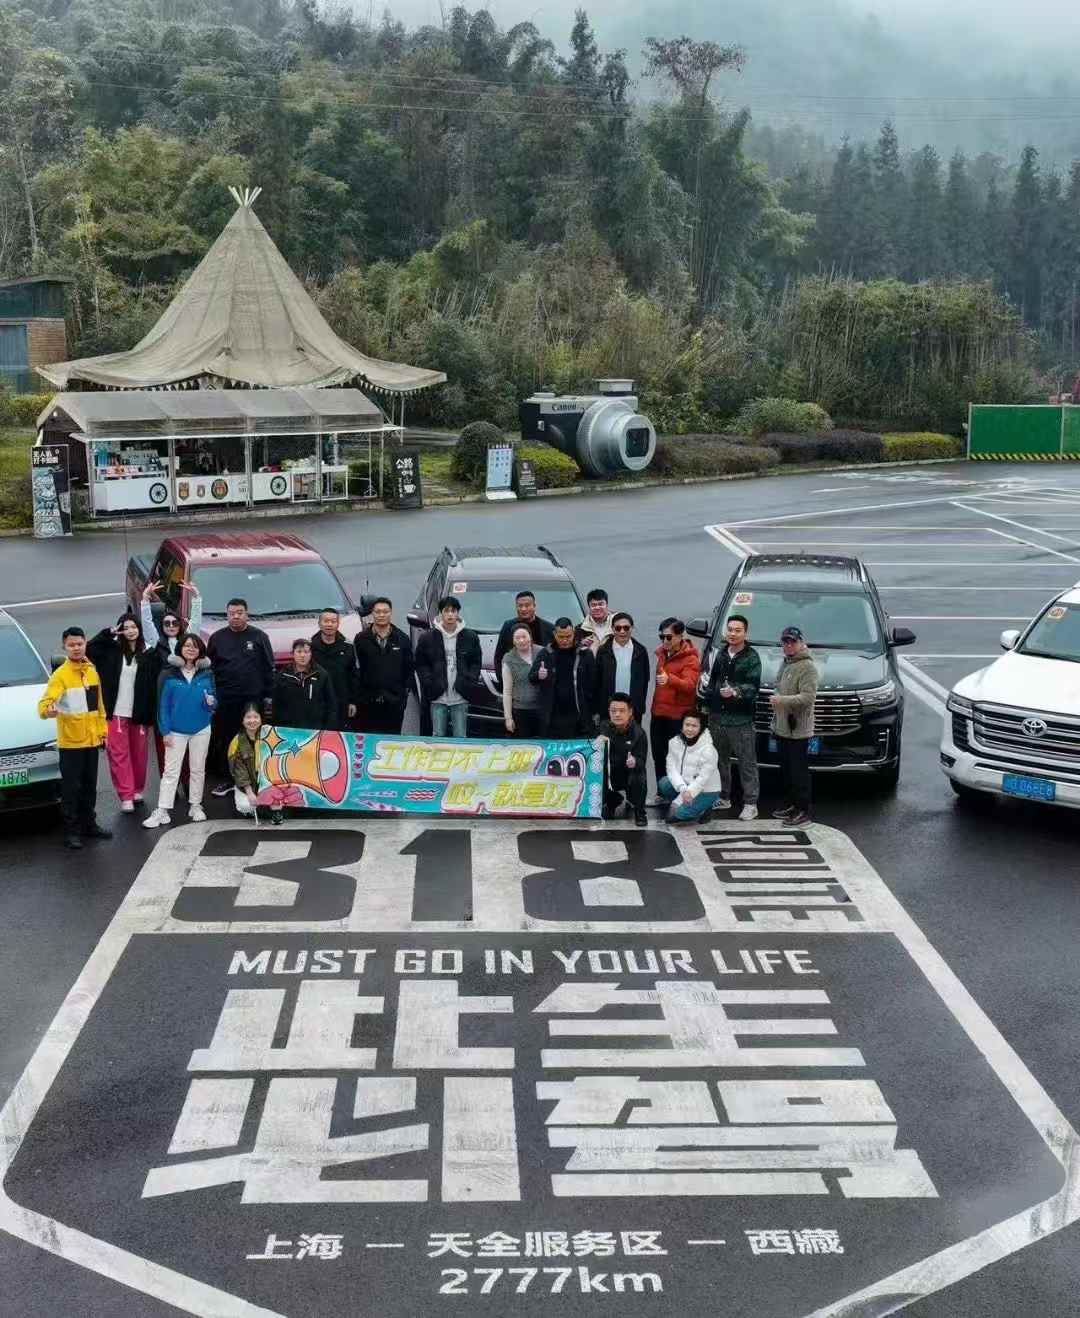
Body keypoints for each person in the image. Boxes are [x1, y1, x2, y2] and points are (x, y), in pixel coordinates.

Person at [38, 626, 111, 850]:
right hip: (71, 743)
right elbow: (44, 705)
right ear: (64, 647)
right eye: (71, 645)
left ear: (85, 643)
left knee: (90, 786)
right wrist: (48, 711)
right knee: (71, 789)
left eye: (79, 644)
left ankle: (89, 824)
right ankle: (71, 831)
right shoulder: (60, 675)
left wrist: (103, 733)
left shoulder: (91, 670)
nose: (76, 648)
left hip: (91, 741)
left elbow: (98, 707)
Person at [87, 609, 158, 812]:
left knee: (140, 754)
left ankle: (137, 790)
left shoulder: (149, 653)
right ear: (120, 631)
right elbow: (90, 649)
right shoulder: (111, 650)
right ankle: (126, 795)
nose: (130, 631)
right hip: (116, 712)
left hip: (139, 713)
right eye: (125, 628)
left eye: (134, 627)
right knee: (119, 755)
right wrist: (107, 633)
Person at [143, 634, 216, 828]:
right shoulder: (168, 673)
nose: (191, 649)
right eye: (187, 646)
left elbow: (214, 702)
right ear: (180, 649)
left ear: (200, 651)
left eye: (195, 646)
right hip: (175, 731)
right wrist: (165, 731)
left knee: (198, 769)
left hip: (201, 729)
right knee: (171, 772)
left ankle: (196, 805)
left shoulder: (207, 673)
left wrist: (211, 703)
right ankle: (162, 810)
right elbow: (162, 705)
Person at [207, 599, 274, 795]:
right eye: (232, 613)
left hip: (252, 700)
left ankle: (257, 777)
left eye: (240, 612)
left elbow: (269, 668)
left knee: (253, 738)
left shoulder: (259, 637)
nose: (236, 616)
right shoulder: (217, 638)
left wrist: (268, 697)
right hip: (226, 699)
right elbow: (211, 669)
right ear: (226, 615)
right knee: (226, 738)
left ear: (247, 614)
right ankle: (228, 779)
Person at [141, 578, 202, 779]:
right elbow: (147, 623)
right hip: (164, 700)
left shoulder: (188, 642)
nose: (171, 626)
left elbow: (195, 623)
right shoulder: (155, 642)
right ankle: (170, 782)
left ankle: (185, 780)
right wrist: (145, 599)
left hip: (185, 698)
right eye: (166, 623)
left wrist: (197, 598)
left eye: (175, 622)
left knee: (186, 741)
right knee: (164, 744)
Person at [704, 613, 763, 821]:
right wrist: (706, 706)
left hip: (741, 721)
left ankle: (750, 803)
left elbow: (753, 687)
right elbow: (712, 683)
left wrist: (736, 691)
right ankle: (724, 796)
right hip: (717, 718)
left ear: (745, 633)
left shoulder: (752, 657)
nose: (733, 633)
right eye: (730, 629)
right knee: (720, 760)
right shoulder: (721, 654)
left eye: (738, 630)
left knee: (747, 762)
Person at [769, 625, 819, 826]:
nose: (788, 645)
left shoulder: (807, 666)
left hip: (798, 729)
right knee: (787, 770)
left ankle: (803, 811)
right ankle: (791, 805)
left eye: (792, 641)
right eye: (785, 642)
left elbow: (808, 698)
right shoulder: (786, 662)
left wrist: (782, 700)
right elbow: (778, 685)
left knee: (799, 772)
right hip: (782, 726)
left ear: (801, 642)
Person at [415, 596, 482, 738]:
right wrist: (429, 682)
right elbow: (421, 663)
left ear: (458, 613)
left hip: (460, 696)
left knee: (460, 736)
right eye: (446, 611)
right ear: (440, 613)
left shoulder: (470, 636)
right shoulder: (428, 637)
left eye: (453, 611)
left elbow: (476, 662)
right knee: (438, 736)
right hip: (438, 696)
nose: (450, 614)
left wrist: (470, 680)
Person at [649, 618, 701, 794]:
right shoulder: (663, 654)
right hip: (658, 713)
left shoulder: (691, 659)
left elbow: (689, 685)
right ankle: (661, 792)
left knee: (676, 758)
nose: (664, 641)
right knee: (658, 755)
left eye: (669, 637)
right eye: (661, 637)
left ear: (680, 636)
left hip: (676, 716)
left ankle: (677, 794)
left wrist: (669, 679)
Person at [353, 597, 414, 734]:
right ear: (372, 613)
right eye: (378, 612)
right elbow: (356, 670)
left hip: (394, 702)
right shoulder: (361, 639)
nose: (381, 615)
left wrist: (402, 695)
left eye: (385, 612)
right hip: (367, 703)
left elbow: (409, 669)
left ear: (391, 613)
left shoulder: (402, 639)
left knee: (391, 743)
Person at [529, 617, 596, 738]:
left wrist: (592, 711)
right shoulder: (546, 653)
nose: (565, 640)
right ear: (554, 634)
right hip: (552, 717)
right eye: (561, 637)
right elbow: (532, 677)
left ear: (574, 633)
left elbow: (594, 684)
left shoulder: (585, 654)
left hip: (579, 716)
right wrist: (539, 675)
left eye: (568, 636)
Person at [656, 711, 723, 824]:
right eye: (687, 725)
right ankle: (697, 807)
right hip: (686, 785)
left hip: (706, 790)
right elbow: (671, 769)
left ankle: (705, 806)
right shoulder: (674, 742)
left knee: (677, 816)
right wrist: (682, 789)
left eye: (694, 726)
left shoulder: (709, 750)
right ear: (682, 725)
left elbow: (703, 778)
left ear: (701, 728)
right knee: (664, 783)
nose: (690, 729)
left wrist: (690, 793)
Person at [597, 692, 648, 826]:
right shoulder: (603, 727)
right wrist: (598, 743)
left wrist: (634, 762)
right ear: (609, 712)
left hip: (629, 775)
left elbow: (642, 762)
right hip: (610, 775)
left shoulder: (639, 733)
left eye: (621, 711)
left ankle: (640, 812)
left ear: (630, 712)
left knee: (640, 775)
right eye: (613, 711)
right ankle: (612, 801)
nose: (617, 714)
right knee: (596, 773)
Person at [229, 703, 281, 824]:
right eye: (248, 717)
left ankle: (276, 811)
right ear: (242, 720)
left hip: (267, 781)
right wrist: (249, 792)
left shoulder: (269, 735)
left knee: (279, 796)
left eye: (256, 717)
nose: (252, 721)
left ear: (261, 719)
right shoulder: (236, 742)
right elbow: (239, 771)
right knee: (246, 805)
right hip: (250, 783)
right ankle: (249, 807)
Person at [594, 612, 650, 723]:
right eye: (618, 628)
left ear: (632, 628)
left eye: (626, 628)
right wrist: (598, 709)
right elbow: (597, 681)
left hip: (632, 709)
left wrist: (639, 707)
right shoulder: (603, 651)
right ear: (612, 629)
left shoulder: (641, 651)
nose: (622, 631)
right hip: (609, 709)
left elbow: (644, 681)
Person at [271, 639, 336, 730]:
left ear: (311, 654)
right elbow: (277, 705)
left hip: (315, 728)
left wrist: (327, 728)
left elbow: (331, 704)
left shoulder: (321, 675)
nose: (302, 655)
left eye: (306, 652)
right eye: (299, 652)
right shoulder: (283, 675)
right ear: (293, 653)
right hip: (289, 728)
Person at [310, 607, 356, 730]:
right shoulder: (310, 648)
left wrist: (352, 701)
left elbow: (353, 676)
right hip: (317, 702)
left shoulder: (348, 647)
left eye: (333, 621)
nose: (329, 624)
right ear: (319, 623)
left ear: (338, 624)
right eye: (326, 621)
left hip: (341, 702)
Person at [501, 623, 545, 737]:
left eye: (524, 637)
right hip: (520, 710)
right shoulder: (508, 659)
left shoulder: (542, 652)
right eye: (517, 638)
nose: (521, 641)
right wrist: (508, 718)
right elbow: (507, 691)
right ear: (513, 641)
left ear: (530, 637)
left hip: (542, 709)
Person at [493, 591, 555, 671]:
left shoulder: (549, 628)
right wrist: (503, 680)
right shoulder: (508, 626)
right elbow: (499, 656)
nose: (523, 609)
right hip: (515, 677)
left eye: (527, 605)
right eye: (520, 606)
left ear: (534, 606)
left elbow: (554, 657)